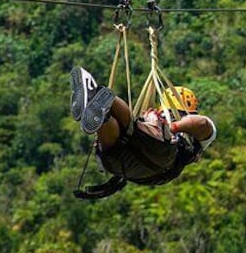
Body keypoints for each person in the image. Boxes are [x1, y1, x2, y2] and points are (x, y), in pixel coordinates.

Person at [69, 66, 216, 194]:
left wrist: (171, 126)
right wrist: (163, 124)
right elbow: (201, 123)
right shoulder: (194, 141)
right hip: (129, 167)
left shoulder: (189, 135)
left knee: (130, 128)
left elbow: (201, 123)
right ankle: (102, 113)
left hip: (154, 158)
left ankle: (98, 95)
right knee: (124, 135)